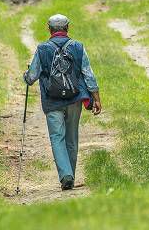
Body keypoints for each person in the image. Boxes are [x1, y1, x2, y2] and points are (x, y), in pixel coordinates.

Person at [24, 14, 102, 191]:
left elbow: (31, 77)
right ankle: (70, 176)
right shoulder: (77, 47)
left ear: (49, 29)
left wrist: (26, 76)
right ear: (67, 27)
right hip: (74, 99)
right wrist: (96, 97)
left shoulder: (42, 49)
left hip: (52, 102)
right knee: (72, 138)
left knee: (57, 138)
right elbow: (88, 75)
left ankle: (66, 175)